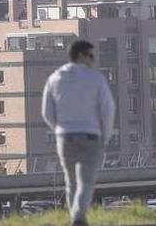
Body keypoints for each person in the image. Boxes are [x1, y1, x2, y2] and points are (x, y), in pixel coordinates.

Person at [42, 39, 115, 226]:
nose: (94, 59)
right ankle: (79, 218)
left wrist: (59, 128)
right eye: (91, 55)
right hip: (91, 136)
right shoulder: (95, 78)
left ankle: (75, 216)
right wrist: (104, 136)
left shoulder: (55, 78)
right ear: (81, 55)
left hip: (65, 137)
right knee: (87, 181)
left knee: (71, 181)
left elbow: (47, 112)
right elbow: (108, 109)